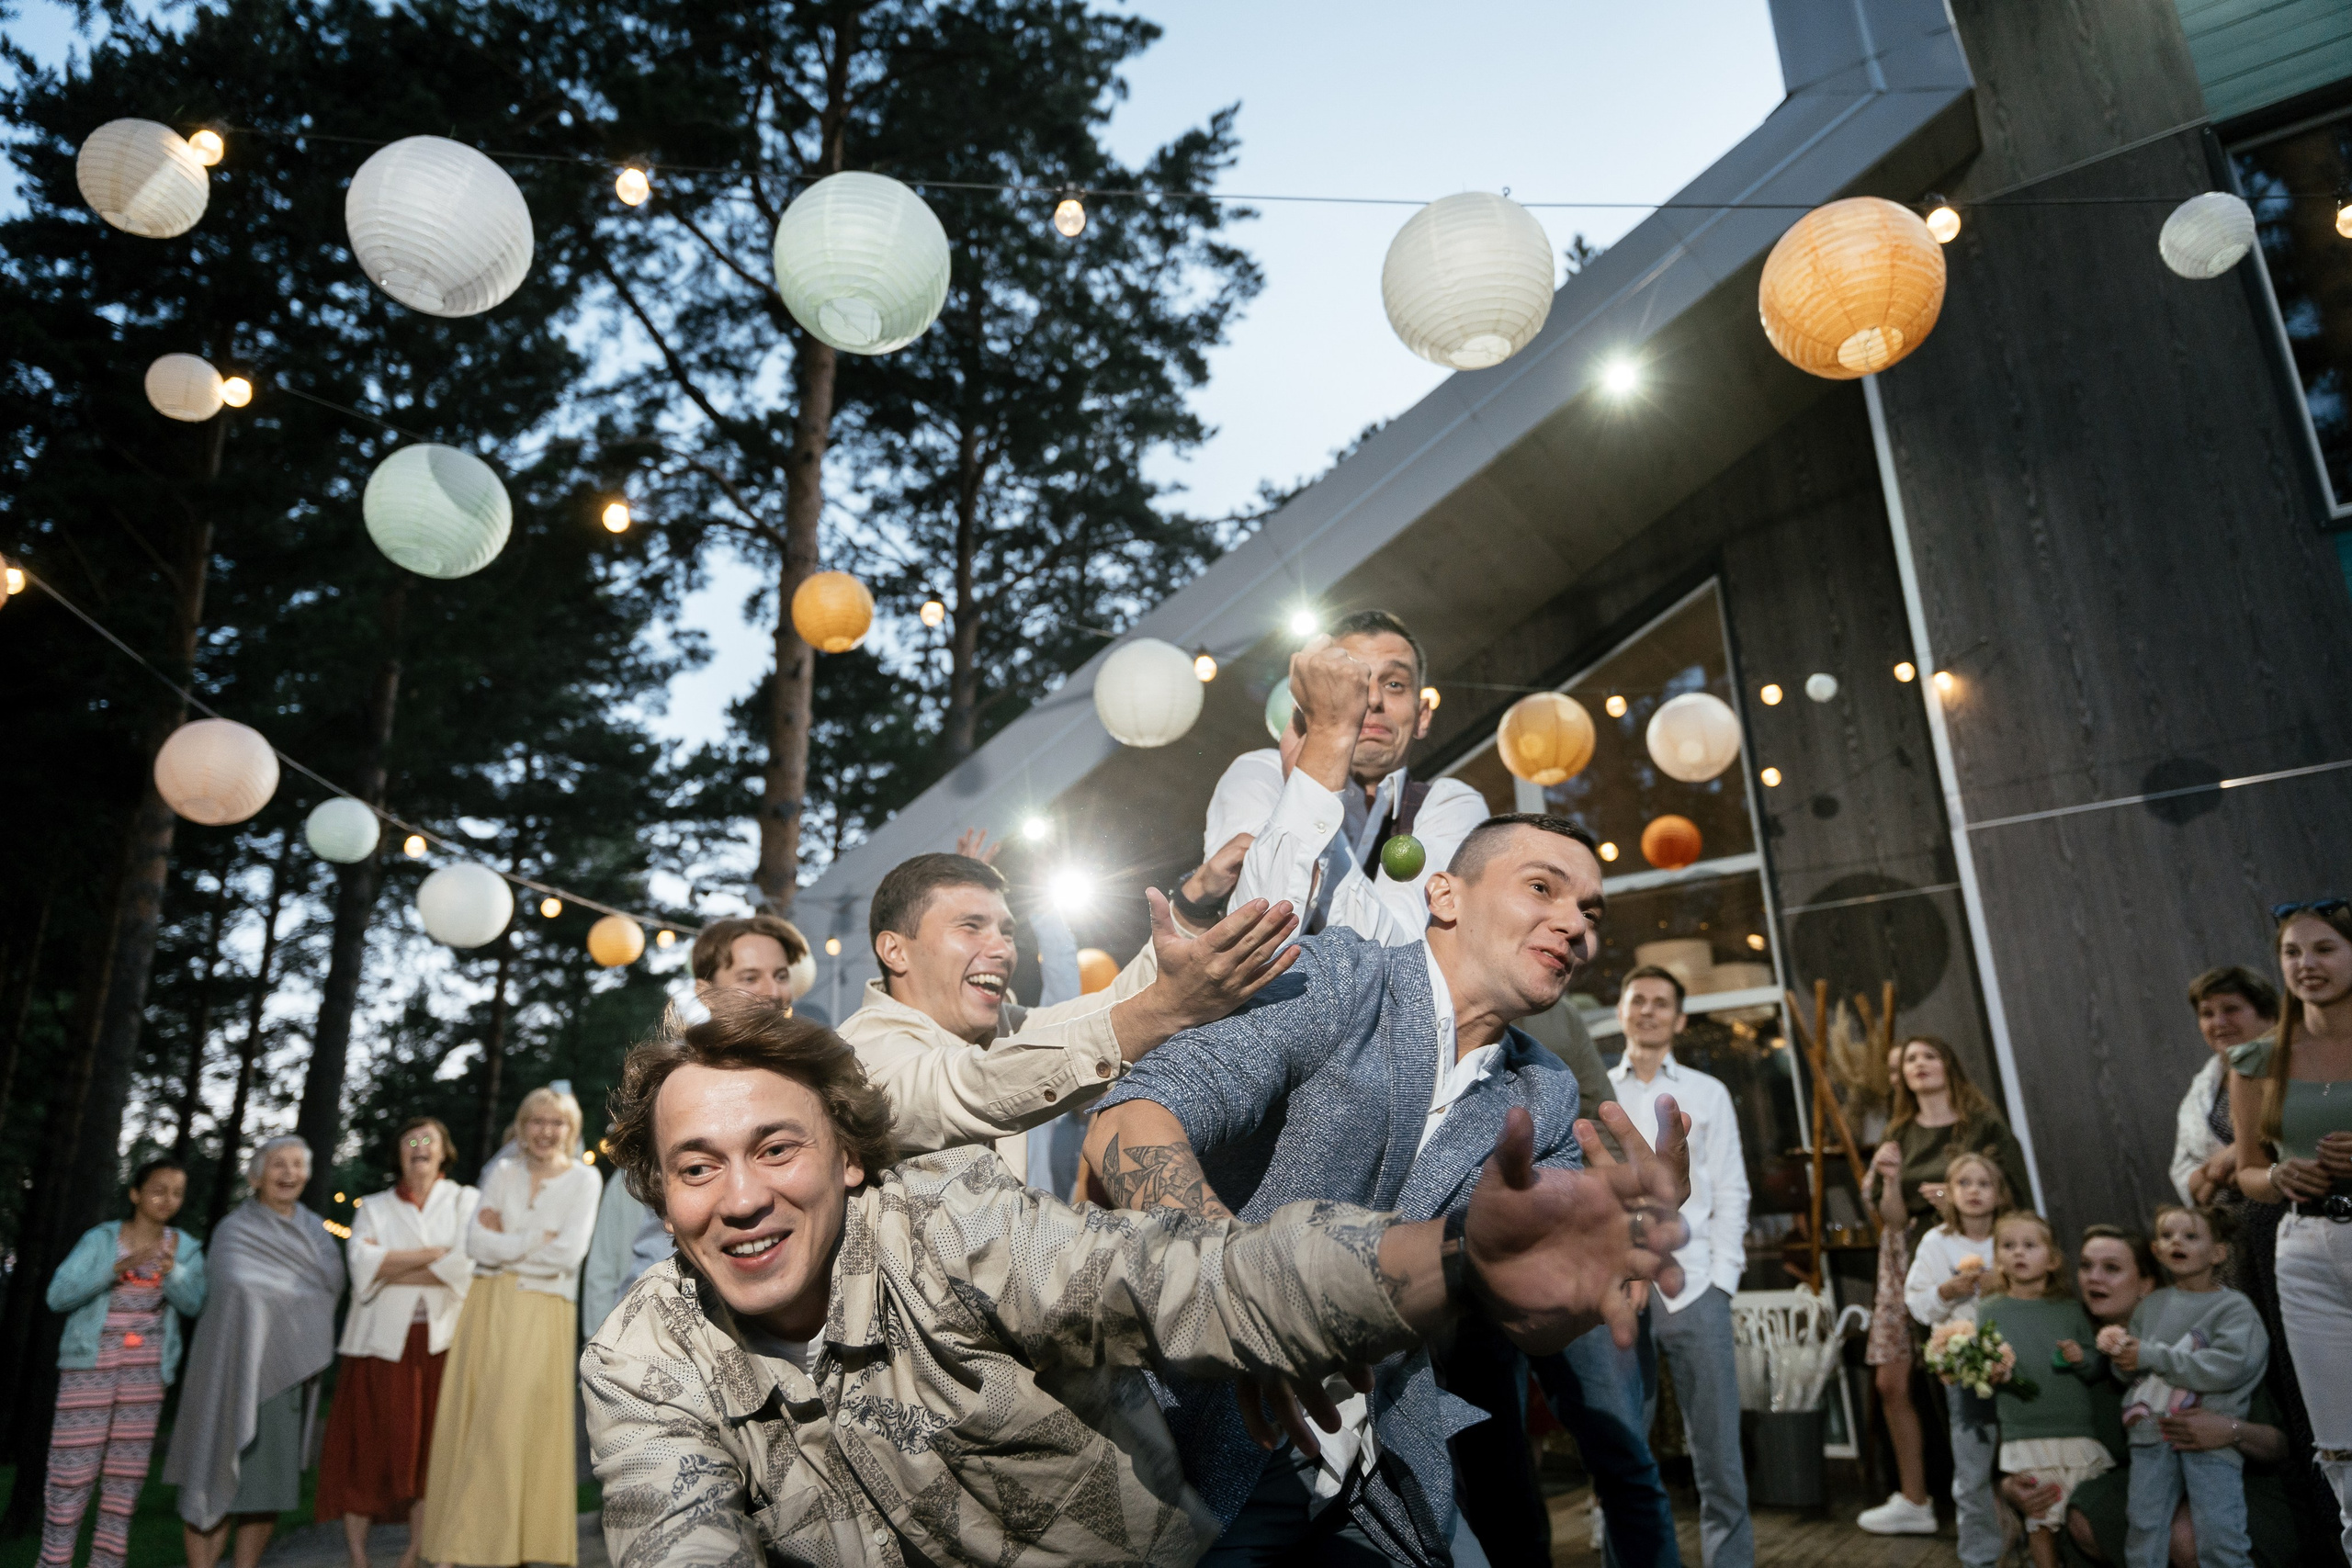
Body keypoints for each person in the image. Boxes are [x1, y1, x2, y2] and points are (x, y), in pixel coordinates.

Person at [580, 993, 1694, 1566]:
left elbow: (1196, 1281)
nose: (738, 1198)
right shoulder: (642, 1356)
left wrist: (1457, 1256)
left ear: (850, 1157)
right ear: (659, 1193)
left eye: (776, 1149)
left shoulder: (947, 1228)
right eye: (694, 1167)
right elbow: (675, 1538)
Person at [1084, 814, 1686, 1565]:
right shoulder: (1337, 975)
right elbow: (1128, 1120)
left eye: (1592, 914)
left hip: (1378, 1465)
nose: (1575, 925)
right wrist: (1241, 1297)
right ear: (1445, 894)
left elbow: (1530, 1320)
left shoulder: (1546, 1090)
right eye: (1543, 887)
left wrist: (1592, 1268)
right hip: (1199, 1444)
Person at [837, 850, 1298, 1176]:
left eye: (1006, 931)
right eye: (971, 927)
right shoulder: (860, 1055)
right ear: (895, 951)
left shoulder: (1003, 1028)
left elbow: (1112, 1010)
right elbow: (973, 1086)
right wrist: (1162, 1011)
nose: (1001, 949)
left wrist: (1192, 903)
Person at [2001, 1225, 2302, 1568]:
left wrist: (2230, 1430)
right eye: (2086, 1266)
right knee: (2091, 1513)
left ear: (2146, 1285)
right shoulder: (2078, 1353)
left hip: (2234, 1482)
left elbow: (2279, 1445)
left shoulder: (2201, 1340)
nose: (2093, 1278)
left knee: (2189, 1535)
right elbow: (2025, 1431)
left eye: (2111, 1268)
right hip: (2142, 1483)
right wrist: (2011, 1486)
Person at [1180, 610, 1486, 946]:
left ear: (1422, 716)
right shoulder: (1260, 774)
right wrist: (1323, 758)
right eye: (1353, 682)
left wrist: (1312, 777)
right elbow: (1252, 938)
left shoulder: (1450, 803)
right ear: (1316, 701)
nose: (1373, 700)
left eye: (1395, 684)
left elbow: (1401, 957)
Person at [584, 917, 814, 1334]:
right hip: (684, 1320)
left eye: (780, 975)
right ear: (704, 991)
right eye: (750, 976)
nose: (772, 991)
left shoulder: (805, 1072)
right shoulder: (674, 1082)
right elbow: (652, 1233)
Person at [418, 1088, 600, 1568]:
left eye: (556, 1122)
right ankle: (464, 1543)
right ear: (520, 1127)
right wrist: (531, 1240)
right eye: (535, 1121)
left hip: (542, 1312)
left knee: (512, 1422)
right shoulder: (502, 1172)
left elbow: (568, 1254)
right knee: (475, 1418)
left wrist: (507, 1242)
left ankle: (497, 1547)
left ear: (571, 1129)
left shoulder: (584, 1180)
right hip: (486, 1305)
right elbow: (476, 1244)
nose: (545, 1131)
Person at [1608, 964, 1752, 1568]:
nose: (1648, 1010)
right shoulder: (1596, 1087)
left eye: (1661, 1002)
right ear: (1621, 1009)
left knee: (1718, 1455)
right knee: (1624, 1453)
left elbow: (1732, 1188)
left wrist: (1723, 1277)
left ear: (1680, 1018)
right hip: (1617, 1287)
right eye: (1637, 999)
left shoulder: (1707, 1092)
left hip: (1696, 1285)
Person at [2228, 899, 2352, 1556]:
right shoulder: (2257, 1058)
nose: (2307, 964)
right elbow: (2246, 1168)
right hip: (2303, 1247)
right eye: (2293, 952)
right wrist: (2278, 1178)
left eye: (2324, 948)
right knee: (2338, 1444)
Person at [164, 1136, 346, 1568]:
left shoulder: (318, 1233)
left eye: (297, 1164)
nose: (288, 1173)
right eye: (278, 1164)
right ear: (256, 1177)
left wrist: (283, 1297)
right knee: (210, 1476)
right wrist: (289, 1294)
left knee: (266, 1490)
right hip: (229, 1372)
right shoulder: (234, 1230)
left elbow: (329, 1286)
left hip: (285, 1374)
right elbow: (232, 1288)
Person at [315, 1118, 478, 1568]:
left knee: (430, 1450)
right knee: (366, 1447)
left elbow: (469, 1262)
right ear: (399, 1153)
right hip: (378, 1344)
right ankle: (358, 1556)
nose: (420, 1148)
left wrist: (390, 1263)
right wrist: (435, 1256)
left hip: (442, 1342)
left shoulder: (466, 1200)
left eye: (430, 1141)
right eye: (411, 1141)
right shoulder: (374, 1205)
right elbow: (360, 1262)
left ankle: (415, 1550)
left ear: (444, 1152)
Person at [41, 1156, 208, 1568]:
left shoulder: (185, 1248)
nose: (167, 1199)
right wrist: (117, 1267)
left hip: (146, 1373)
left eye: (176, 1192)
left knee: (124, 1481)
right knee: (70, 1475)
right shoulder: (101, 1239)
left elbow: (195, 1304)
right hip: (88, 1367)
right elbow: (57, 1295)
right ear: (135, 1193)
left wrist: (175, 1273)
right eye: (157, 1189)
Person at [2106, 1204, 2267, 1568]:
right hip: (2150, 1433)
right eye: (2167, 1236)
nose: (2176, 1241)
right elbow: (2133, 1374)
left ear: (2218, 1253)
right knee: (2144, 1529)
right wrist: (2121, 1358)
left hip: (2206, 1435)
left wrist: (2152, 1357)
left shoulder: (2234, 1308)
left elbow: (2230, 1367)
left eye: (2190, 1236)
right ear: (2156, 1250)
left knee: (2220, 1533)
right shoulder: (2151, 1306)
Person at [1889, 1150, 2012, 1560]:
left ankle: (2035, 1543)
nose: (1974, 1191)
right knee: (1973, 1466)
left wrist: (2005, 1283)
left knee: (2023, 1457)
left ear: (2000, 1193)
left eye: (1984, 1183)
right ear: (1950, 1193)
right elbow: (1917, 1301)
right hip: (1965, 1366)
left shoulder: (2010, 1237)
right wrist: (1947, 1292)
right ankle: (1979, 1553)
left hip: (2018, 1360)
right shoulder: (1937, 1242)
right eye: (1964, 1183)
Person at [1973, 1212, 2109, 1568]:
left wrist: (2081, 1358)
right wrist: (1992, 1375)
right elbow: (1979, 1374)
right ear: (1998, 1258)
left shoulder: (2069, 1309)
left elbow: (2096, 1366)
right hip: (2025, 1432)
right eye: (2008, 1246)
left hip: (2077, 1432)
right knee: (2041, 1519)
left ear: (2051, 1260)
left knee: (2084, 1517)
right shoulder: (1988, 1310)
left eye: (2030, 1245)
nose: (2019, 1253)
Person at [1858, 1043, 1936, 1539]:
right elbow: (1884, 1213)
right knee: (1891, 1381)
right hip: (1898, 1262)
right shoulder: (1895, 1132)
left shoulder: (1970, 1125)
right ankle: (1914, 1498)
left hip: (1953, 1257)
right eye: (1895, 1068)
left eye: (1905, 1065)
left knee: (1962, 1378)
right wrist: (1887, 1181)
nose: (1900, 1076)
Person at [1875, 1034, 2033, 1248]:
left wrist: (1959, 1199)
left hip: (1986, 1240)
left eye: (1930, 1056)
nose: (1920, 1063)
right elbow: (1895, 1222)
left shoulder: (1986, 1126)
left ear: (1950, 1067)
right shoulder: (1896, 1134)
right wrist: (1890, 1181)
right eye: (1910, 1059)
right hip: (1927, 1247)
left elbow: (2018, 1197)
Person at [2170, 968, 2280, 1209]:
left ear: (2269, 1015)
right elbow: (2185, 1171)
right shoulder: (2201, 1089)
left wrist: (2239, 1152)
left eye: (2231, 1009)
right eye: (2207, 1013)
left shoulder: (2302, 1067)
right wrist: (2215, 1173)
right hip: (2229, 1229)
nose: (2218, 1023)